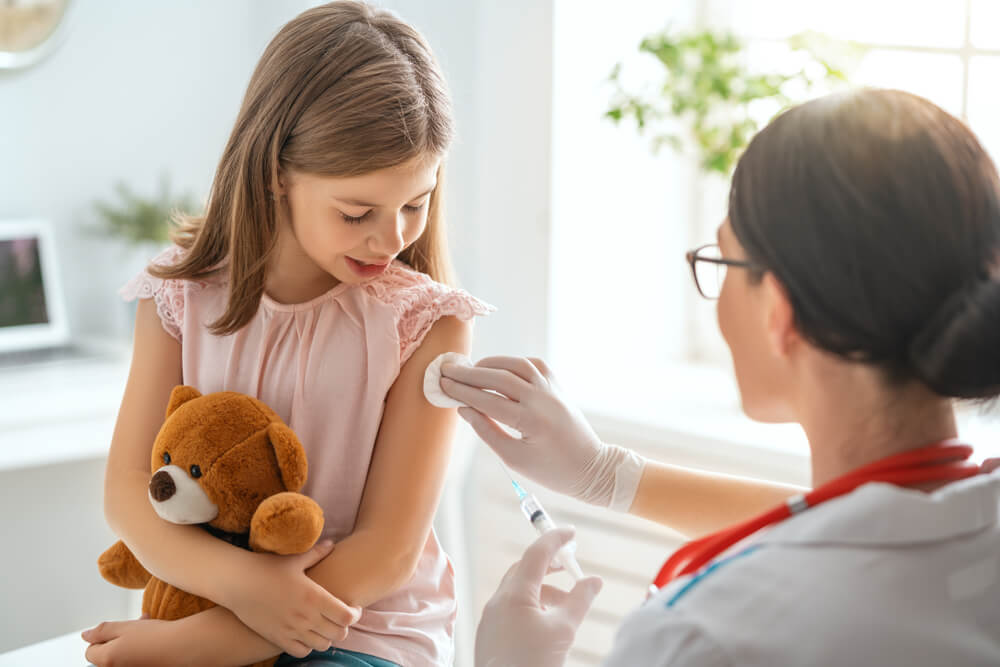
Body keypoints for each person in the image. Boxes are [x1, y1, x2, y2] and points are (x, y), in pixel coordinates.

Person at [441, 88, 1000, 666]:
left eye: (722, 260)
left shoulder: (707, 637)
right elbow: (871, 523)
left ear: (778, 312)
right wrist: (606, 474)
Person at [82, 3, 492, 666]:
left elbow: (386, 551)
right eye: (359, 211)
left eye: (416, 204)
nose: (393, 238)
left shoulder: (427, 322)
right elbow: (129, 490)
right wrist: (241, 588)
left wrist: (202, 644)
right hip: (205, 603)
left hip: (360, 629)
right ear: (276, 171)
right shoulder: (177, 293)